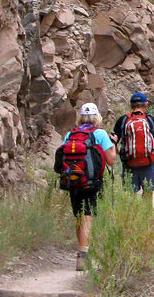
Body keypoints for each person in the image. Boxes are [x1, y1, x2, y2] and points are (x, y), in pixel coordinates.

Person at [57, 102, 115, 271]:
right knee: (88, 216)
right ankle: (82, 256)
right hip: (93, 181)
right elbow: (111, 160)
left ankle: (83, 248)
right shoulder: (100, 134)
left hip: (73, 180)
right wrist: (114, 144)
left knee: (79, 216)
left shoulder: (70, 134)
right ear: (97, 117)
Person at [112, 92, 154, 197]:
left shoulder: (123, 120)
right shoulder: (151, 120)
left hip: (129, 163)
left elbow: (113, 142)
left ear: (130, 105)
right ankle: (147, 213)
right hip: (149, 163)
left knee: (131, 196)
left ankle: (134, 213)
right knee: (148, 194)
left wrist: (118, 153)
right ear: (146, 104)